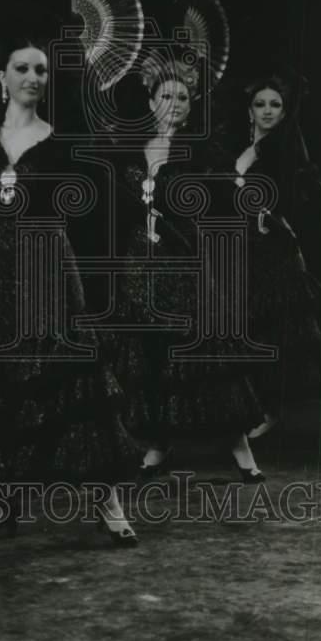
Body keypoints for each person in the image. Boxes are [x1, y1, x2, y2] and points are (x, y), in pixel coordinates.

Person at [0, 24, 142, 545]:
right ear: (2, 77)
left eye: (41, 70)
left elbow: (109, 208)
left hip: (49, 267)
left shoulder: (62, 143)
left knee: (74, 381)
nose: (32, 77)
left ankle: (109, 503)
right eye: (22, 68)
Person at [107, 53, 268, 482]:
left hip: (186, 259)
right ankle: (159, 444)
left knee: (204, 352)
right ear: (151, 100)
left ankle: (241, 449)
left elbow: (222, 204)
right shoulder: (129, 147)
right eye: (166, 94)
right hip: (140, 264)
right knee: (152, 356)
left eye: (182, 96)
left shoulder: (202, 152)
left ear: (192, 103)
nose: (175, 102)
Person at [207, 73, 321, 451]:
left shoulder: (285, 147)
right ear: (250, 110)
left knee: (302, 330)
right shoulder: (242, 149)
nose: (268, 111)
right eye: (261, 104)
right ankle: (272, 412)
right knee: (266, 332)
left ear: (284, 111)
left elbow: (306, 180)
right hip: (246, 251)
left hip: (277, 247)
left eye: (275, 105)